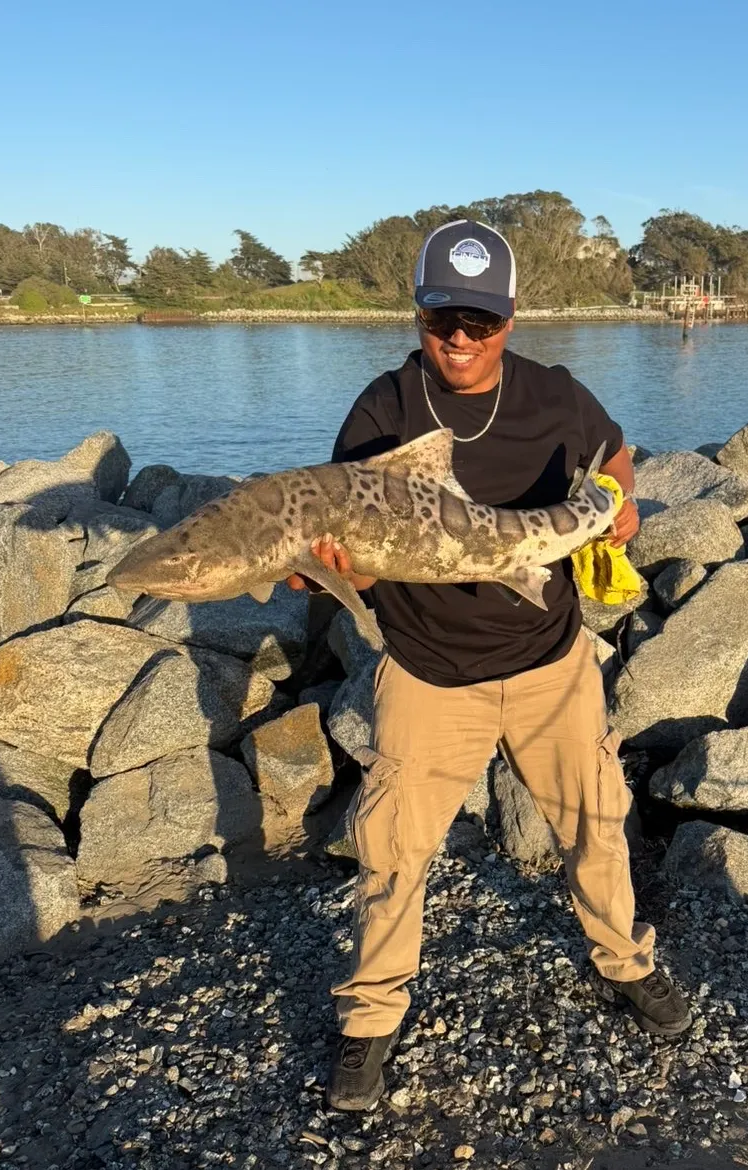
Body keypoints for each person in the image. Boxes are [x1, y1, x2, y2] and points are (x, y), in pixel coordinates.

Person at [289, 219, 691, 1112]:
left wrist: (617, 504)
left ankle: (623, 960)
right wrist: (321, 564)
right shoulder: (385, 410)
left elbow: (614, 458)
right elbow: (339, 534)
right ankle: (369, 1019)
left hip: (551, 662)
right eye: (442, 322)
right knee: (393, 850)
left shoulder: (554, 396)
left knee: (595, 820)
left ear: (510, 318)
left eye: (480, 322)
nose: (460, 341)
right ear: (418, 315)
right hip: (429, 672)